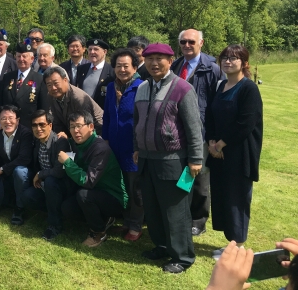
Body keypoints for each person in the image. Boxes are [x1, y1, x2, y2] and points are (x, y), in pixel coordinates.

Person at [133, 42, 203, 274]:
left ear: (170, 61)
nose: (154, 63)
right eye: (149, 58)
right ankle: (162, 246)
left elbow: (194, 128)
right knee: (152, 209)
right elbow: (137, 123)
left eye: (159, 59)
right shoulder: (142, 87)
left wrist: (195, 159)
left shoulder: (182, 88)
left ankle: (182, 257)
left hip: (173, 161)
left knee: (176, 211)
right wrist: (136, 147)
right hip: (146, 159)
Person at [205, 45, 262, 258]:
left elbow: (246, 123)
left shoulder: (248, 88)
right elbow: (210, 116)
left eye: (234, 58)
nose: (228, 61)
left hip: (239, 155)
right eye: (225, 58)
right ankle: (231, 242)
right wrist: (211, 141)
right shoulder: (221, 86)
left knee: (236, 198)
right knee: (222, 197)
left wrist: (220, 144)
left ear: (244, 63)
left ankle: (237, 247)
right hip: (218, 154)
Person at [172, 28, 222, 237]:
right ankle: (183, 214)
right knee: (182, 174)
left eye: (191, 42)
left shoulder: (213, 69)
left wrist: (213, 136)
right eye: (183, 42)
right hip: (177, 131)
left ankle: (199, 219)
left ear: (201, 43)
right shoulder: (175, 65)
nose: (187, 46)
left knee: (200, 175)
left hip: (201, 133)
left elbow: (217, 106)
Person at [60, 111, 127, 247]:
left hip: (114, 198)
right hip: (95, 193)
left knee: (83, 195)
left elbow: (88, 181)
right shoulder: (74, 144)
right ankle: (104, 219)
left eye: (79, 126)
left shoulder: (100, 149)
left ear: (91, 127)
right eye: (72, 127)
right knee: (67, 208)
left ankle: (98, 233)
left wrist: (67, 163)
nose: (76, 131)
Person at [102, 48, 144, 241]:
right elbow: (108, 115)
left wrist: (139, 146)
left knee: (135, 187)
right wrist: (105, 139)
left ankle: (136, 226)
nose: (122, 69)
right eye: (118, 66)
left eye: (126, 66)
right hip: (114, 146)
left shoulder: (141, 86)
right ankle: (125, 221)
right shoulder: (111, 87)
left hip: (133, 147)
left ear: (134, 67)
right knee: (122, 185)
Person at [20, 110, 71, 241]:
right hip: (45, 184)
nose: (38, 128)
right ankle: (53, 211)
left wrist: (40, 174)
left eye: (42, 124)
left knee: (50, 181)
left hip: (62, 185)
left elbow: (60, 171)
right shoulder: (37, 141)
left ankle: (55, 225)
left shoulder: (61, 142)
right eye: (34, 125)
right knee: (27, 197)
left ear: (50, 125)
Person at [0, 41, 50, 129]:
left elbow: (43, 107)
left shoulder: (39, 79)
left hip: (29, 127)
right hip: (8, 126)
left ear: (32, 59)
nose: (21, 59)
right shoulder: (7, 77)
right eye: (18, 56)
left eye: (24, 56)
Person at [44, 66, 103, 137]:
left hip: (96, 132)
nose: (53, 88)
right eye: (49, 85)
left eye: (56, 83)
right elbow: (57, 122)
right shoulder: (51, 96)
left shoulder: (78, 98)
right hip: (74, 131)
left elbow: (85, 126)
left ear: (65, 80)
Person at [77, 38, 116, 109]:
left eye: (96, 49)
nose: (92, 52)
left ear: (105, 51)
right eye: (90, 49)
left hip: (101, 113)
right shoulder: (81, 69)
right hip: (82, 113)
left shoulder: (112, 71)